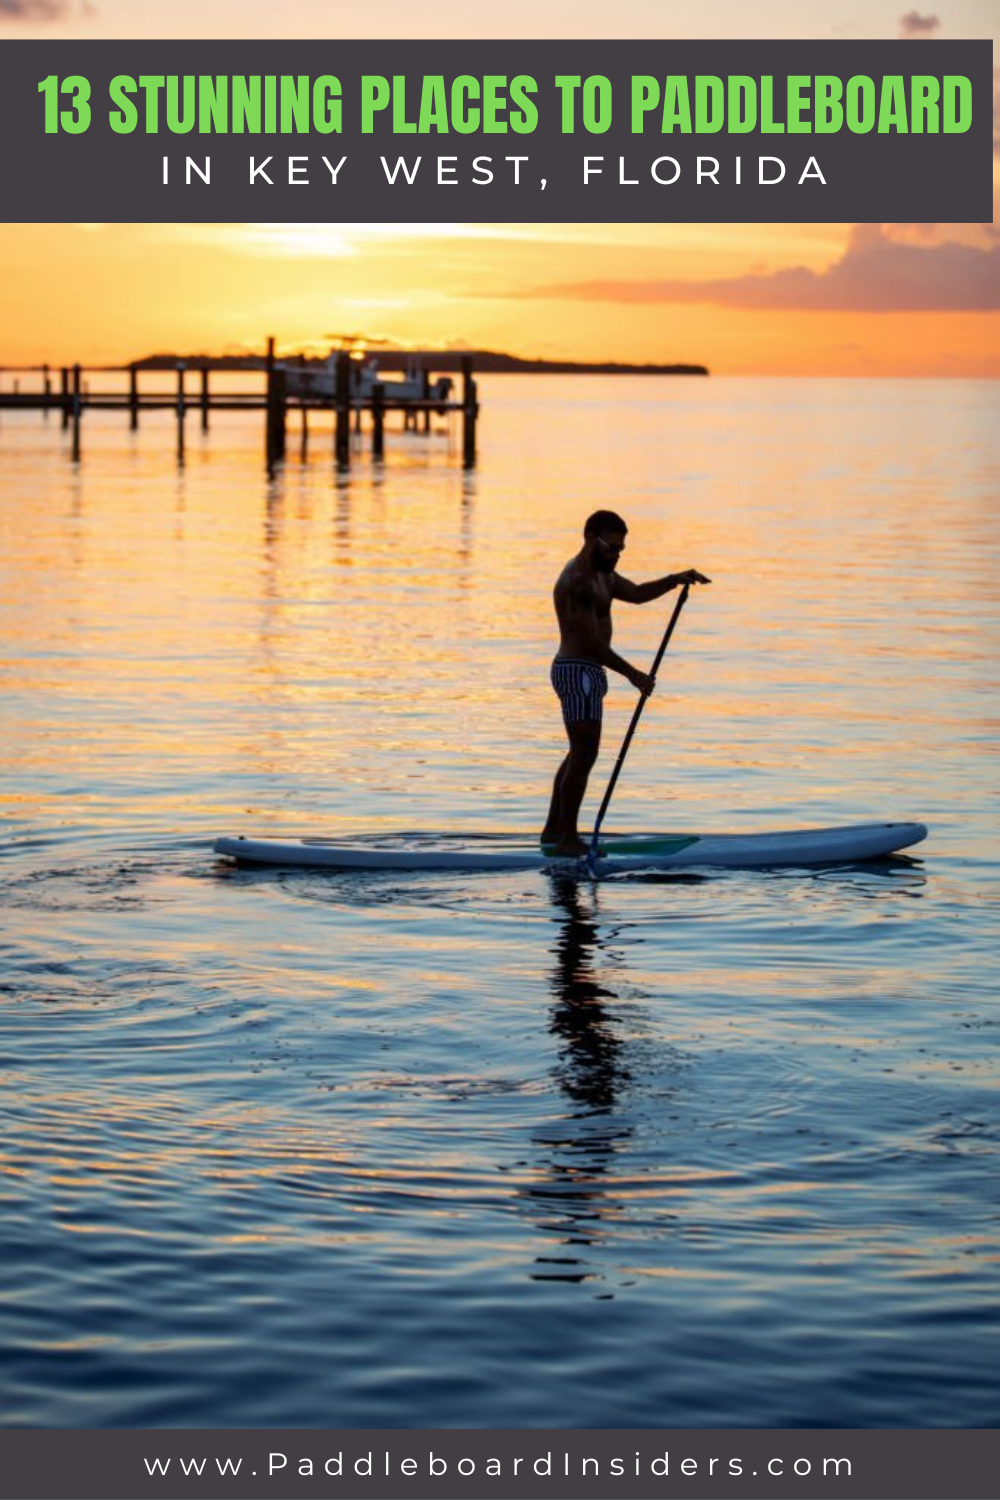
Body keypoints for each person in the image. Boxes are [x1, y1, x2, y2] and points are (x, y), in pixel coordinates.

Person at [541, 510, 710, 855]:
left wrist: (674, 579)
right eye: (611, 547)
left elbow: (635, 593)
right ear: (590, 539)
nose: (616, 554)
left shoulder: (604, 575)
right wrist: (634, 675)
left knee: (579, 752)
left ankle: (554, 831)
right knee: (584, 753)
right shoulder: (579, 581)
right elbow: (590, 642)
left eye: (621, 549)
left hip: (590, 672)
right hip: (577, 669)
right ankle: (567, 839)